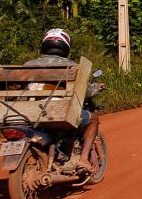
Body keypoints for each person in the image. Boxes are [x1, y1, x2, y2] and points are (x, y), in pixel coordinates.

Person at [25, 27, 102, 174]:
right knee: (93, 119)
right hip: (58, 113)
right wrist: (96, 88)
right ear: (66, 47)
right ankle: (83, 159)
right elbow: (85, 92)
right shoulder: (72, 67)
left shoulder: (28, 65)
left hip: (27, 113)